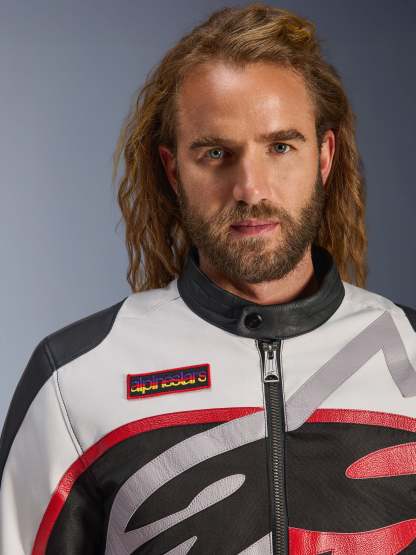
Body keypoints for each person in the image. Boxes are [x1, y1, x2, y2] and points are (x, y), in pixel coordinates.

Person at [1, 3, 415, 554]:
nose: (250, 187)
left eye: (281, 147)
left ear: (324, 157)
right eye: (216, 153)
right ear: (174, 170)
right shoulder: (75, 378)